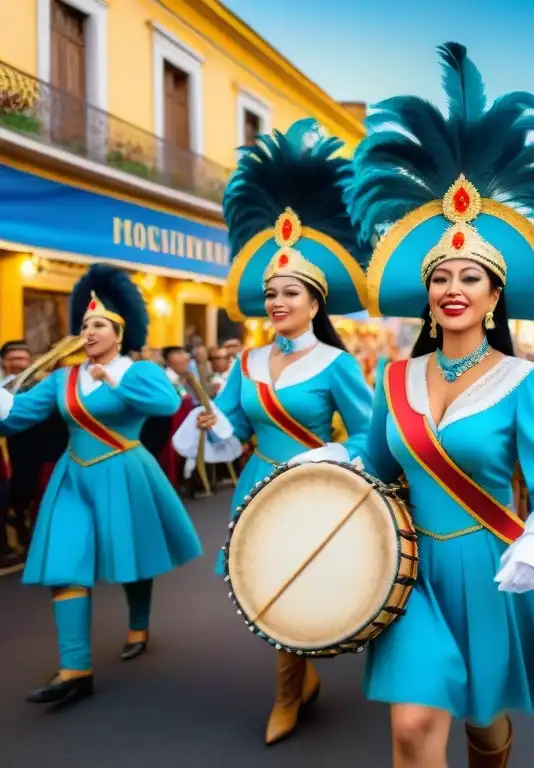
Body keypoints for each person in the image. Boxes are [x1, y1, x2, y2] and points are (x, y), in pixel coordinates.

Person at [346, 42, 534, 768]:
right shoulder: (392, 380)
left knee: (483, 726)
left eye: (472, 275)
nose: (454, 287)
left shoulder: (529, 382)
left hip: (494, 564)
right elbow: (375, 468)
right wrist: (321, 464)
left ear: (495, 296)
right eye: (442, 277)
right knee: (409, 729)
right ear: (429, 296)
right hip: (407, 569)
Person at [173, 118, 375, 745]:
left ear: (315, 303)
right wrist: (216, 419)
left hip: (315, 485)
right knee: (266, 585)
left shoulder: (338, 364)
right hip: (259, 482)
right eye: (269, 293)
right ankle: (297, 680)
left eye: (289, 292)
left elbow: (372, 434)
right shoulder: (248, 362)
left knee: (301, 585)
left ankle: (290, 691)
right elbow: (233, 421)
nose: (277, 302)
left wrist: (337, 456)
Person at [0, 264, 203, 706]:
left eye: (98, 325)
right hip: (74, 477)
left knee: (131, 557)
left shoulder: (140, 371)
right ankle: (75, 669)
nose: (88, 332)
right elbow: (16, 416)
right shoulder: (63, 377)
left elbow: (167, 403)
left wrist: (113, 378)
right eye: (85, 324)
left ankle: (139, 622)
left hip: (124, 470)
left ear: (119, 331)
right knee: (64, 564)